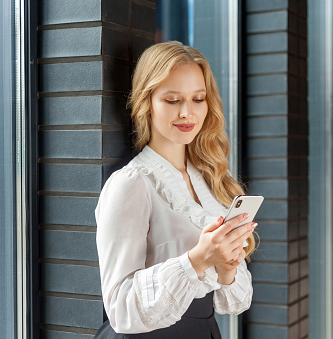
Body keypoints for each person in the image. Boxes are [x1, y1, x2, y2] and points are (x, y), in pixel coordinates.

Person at [94, 41, 256, 339]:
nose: (187, 113)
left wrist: (227, 266)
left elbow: (233, 303)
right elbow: (120, 309)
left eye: (198, 99)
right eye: (172, 100)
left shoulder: (210, 179)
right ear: (148, 102)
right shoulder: (132, 183)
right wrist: (198, 259)